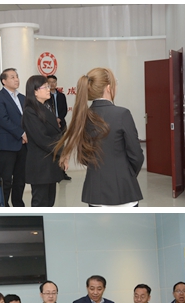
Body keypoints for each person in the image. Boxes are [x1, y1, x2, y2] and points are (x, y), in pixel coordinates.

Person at [54, 68, 144, 207]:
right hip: (123, 190)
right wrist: (125, 174)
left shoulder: (83, 116)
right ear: (108, 88)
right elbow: (136, 155)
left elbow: (84, 156)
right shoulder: (122, 114)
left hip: (95, 190)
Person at [21, 75, 63, 207]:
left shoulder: (46, 106)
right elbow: (42, 138)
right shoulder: (30, 111)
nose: (48, 89)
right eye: (45, 87)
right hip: (40, 165)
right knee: (40, 202)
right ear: (34, 91)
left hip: (50, 162)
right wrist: (61, 150)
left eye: (48, 86)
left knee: (50, 201)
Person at [0, 68, 27, 207]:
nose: (16, 79)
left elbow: (27, 119)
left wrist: (27, 133)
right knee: (6, 179)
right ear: (4, 81)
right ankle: (4, 205)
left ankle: (18, 205)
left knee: (20, 178)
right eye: (12, 77)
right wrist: (22, 133)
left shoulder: (22, 97)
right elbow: (3, 120)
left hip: (23, 144)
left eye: (17, 76)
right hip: (7, 145)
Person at [46, 74, 71, 181]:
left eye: (54, 82)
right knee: (52, 148)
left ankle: (62, 172)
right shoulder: (46, 96)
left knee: (62, 149)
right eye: (49, 82)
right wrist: (53, 120)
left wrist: (59, 119)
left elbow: (64, 109)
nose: (52, 84)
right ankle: (53, 171)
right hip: (50, 126)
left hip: (61, 125)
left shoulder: (61, 96)